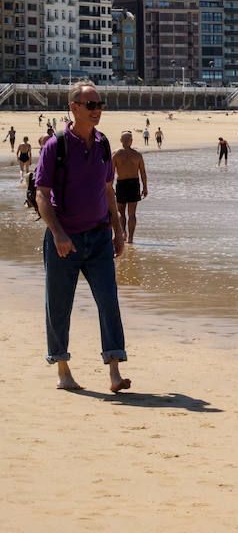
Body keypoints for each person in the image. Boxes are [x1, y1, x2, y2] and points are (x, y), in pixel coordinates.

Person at [34, 81, 130, 393]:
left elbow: (107, 190)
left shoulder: (103, 144)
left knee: (109, 301)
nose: (97, 109)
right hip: (65, 240)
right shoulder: (56, 145)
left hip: (100, 237)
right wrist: (57, 232)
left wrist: (118, 231)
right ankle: (62, 369)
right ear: (74, 108)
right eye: (91, 105)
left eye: (100, 104)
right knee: (59, 305)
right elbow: (41, 194)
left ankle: (114, 370)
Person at [112, 131, 148, 244]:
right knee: (132, 213)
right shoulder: (137, 155)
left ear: (121, 141)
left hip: (121, 183)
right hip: (134, 183)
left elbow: (110, 172)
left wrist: (110, 187)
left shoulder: (116, 154)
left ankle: (123, 233)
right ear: (131, 141)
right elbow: (143, 172)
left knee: (121, 211)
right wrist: (145, 187)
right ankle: (131, 238)